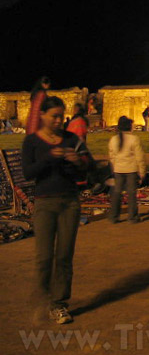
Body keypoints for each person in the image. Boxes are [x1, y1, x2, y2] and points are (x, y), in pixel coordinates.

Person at [22, 96, 90, 324]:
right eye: (54, 116)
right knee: (43, 257)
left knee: (64, 256)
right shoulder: (32, 141)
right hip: (44, 202)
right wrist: (50, 157)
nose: (59, 120)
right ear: (42, 115)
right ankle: (41, 297)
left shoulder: (71, 138)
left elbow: (87, 166)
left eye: (62, 116)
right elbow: (28, 173)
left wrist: (78, 161)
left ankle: (59, 303)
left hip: (69, 201)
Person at [108, 116, 145, 224]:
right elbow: (140, 157)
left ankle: (114, 216)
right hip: (131, 170)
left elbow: (112, 157)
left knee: (116, 193)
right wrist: (142, 172)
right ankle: (132, 217)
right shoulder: (134, 139)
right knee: (132, 194)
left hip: (118, 170)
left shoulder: (113, 139)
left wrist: (114, 168)